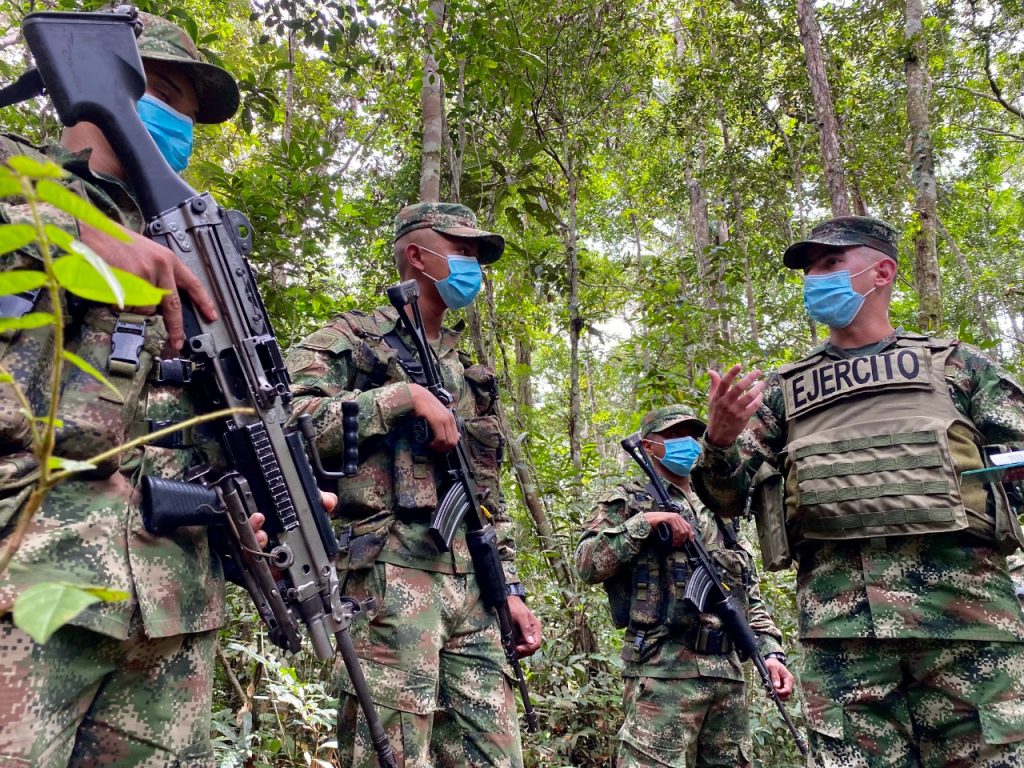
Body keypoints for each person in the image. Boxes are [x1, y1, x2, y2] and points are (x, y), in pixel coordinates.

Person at [0, 12, 253, 766]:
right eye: (162, 93)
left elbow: (204, 418)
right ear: (95, 82)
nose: (179, 121)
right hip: (30, 580)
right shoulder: (14, 166)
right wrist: (77, 233)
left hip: (170, 610)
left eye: (190, 110)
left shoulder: (200, 246)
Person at [693, 215, 1024, 766]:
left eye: (829, 264)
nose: (813, 280)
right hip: (843, 637)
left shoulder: (956, 368)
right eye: (808, 271)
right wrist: (721, 440)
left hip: (967, 627)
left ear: (882, 271)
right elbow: (725, 500)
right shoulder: (781, 394)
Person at [285, 201, 543, 768]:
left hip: (474, 588)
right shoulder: (349, 339)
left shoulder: (469, 369)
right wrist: (399, 399)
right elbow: (285, 421)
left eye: (477, 255)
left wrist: (512, 589)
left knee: (496, 756)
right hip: (388, 578)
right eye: (462, 251)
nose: (473, 265)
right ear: (417, 256)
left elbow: (484, 497)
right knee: (393, 755)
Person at [575, 404, 794, 768]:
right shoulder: (629, 501)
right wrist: (645, 523)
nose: (688, 444)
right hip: (663, 676)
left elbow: (746, 593)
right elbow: (585, 563)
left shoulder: (721, 507)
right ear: (648, 447)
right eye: (674, 437)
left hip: (727, 677)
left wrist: (770, 653)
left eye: (693, 436)